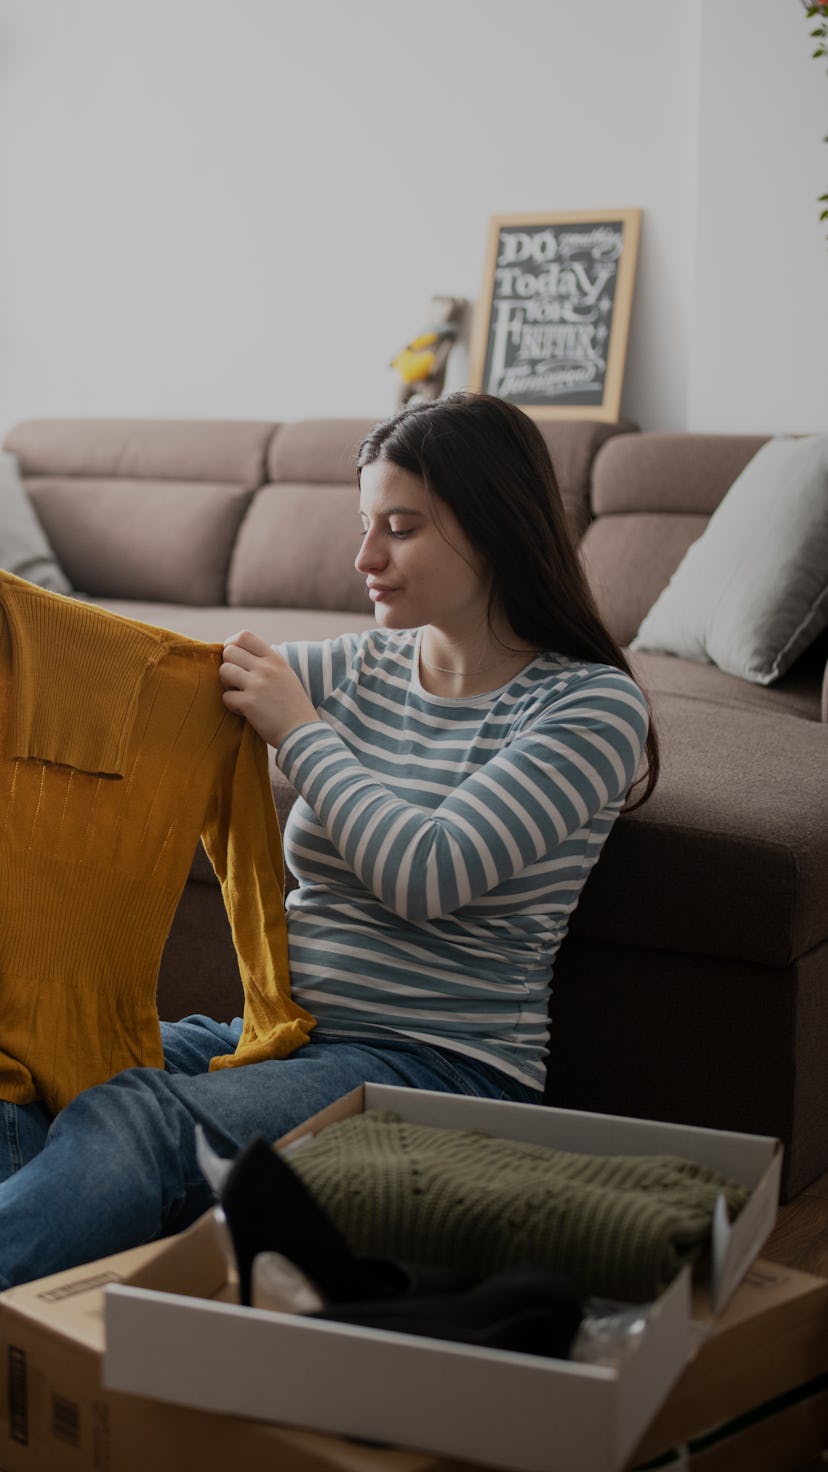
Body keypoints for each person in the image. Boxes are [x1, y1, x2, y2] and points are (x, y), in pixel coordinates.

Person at [0, 392, 657, 1289]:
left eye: (401, 527)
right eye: (363, 524)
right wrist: (25, 641)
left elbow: (429, 871)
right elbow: (163, 685)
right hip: (285, 1038)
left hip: (441, 1070)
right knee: (35, 1066)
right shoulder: (365, 665)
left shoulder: (587, 707)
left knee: (135, 1118)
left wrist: (302, 735)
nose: (365, 558)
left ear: (498, 529)